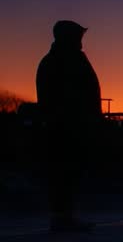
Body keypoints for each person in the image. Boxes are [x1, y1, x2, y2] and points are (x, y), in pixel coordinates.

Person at [36, 20, 101, 233]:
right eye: (78, 35)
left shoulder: (57, 60)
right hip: (68, 125)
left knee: (69, 171)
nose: (81, 40)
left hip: (70, 124)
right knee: (65, 171)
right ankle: (62, 217)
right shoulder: (64, 61)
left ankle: (64, 215)